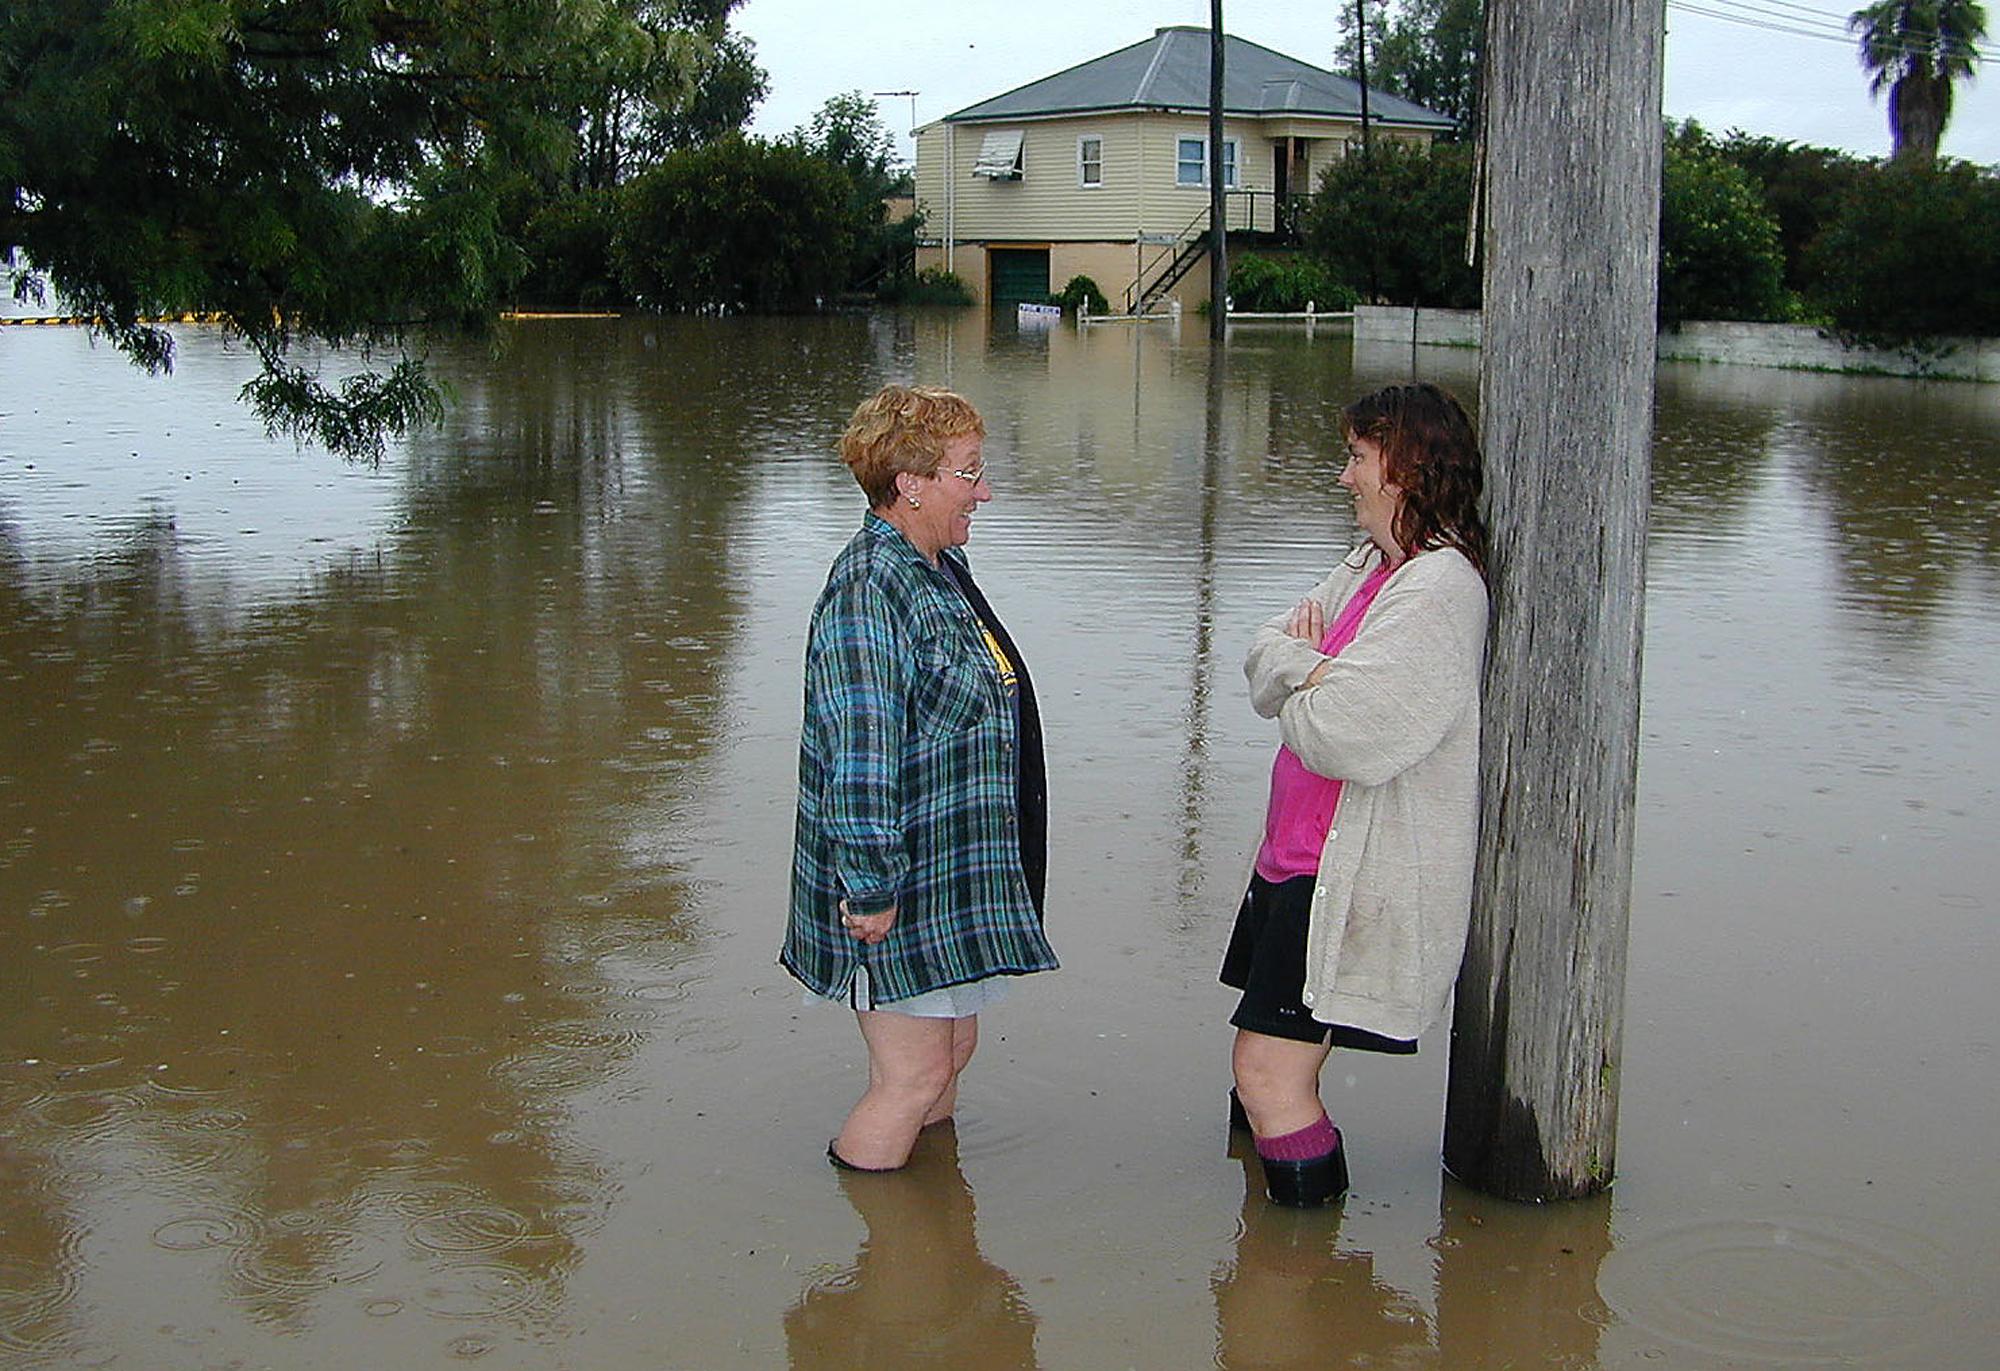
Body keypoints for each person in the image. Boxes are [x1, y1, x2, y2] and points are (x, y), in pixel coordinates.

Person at [1222, 381, 1490, 1207]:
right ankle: (1275, 1274)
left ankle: (1307, 1272)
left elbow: (1346, 733)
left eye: (1358, 458)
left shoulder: (1441, 590)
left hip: (1344, 878)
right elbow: (1262, 650)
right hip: (1293, 862)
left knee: (1267, 1073)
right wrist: (1312, 671)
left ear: (1405, 470)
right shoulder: (1371, 564)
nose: (1345, 477)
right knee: (1267, 1066)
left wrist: (1308, 677)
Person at [782, 383, 1057, 1173]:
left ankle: (932, 1239)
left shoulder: (938, 566)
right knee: (914, 1073)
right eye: (969, 472)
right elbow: (859, 751)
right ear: (911, 483)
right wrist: (869, 887)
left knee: (952, 1047)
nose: (986, 490)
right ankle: (881, 1264)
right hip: (892, 883)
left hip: (946, 875)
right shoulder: (871, 591)